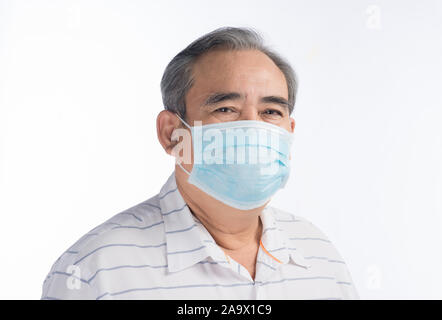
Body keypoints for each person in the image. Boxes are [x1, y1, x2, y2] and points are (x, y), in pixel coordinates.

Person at [41, 27, 359, 300]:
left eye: (271, 112)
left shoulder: (321, 258)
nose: (252, 126)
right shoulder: (95, 269)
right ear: (172, 133)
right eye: (225, 109)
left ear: (289, 132)